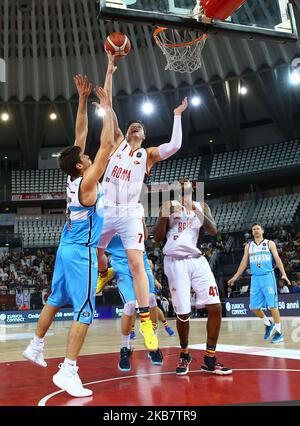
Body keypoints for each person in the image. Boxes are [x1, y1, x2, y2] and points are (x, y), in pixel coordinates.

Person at [22, 78, 114, 397]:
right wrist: (107, 108)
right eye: (84, 158)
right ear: (80, 165)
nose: (88, 156)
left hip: (66, 245)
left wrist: (82, 99)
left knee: (54, 298)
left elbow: (81, 135)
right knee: (84, 310)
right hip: (81, 251)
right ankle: (69, 370)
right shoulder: (87, 184)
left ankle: (35, 345)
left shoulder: (75, 178)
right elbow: (105, 147)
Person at [94, 52, 188, 352]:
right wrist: (110, 70)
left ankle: (146, 321)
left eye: (139, 128)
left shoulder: (146, 155)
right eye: (132, 126)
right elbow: (108, 105)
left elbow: (174, 146)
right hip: (105, 208)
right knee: (96, 252)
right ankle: (103, 271)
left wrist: (176, 116)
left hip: (130, 213)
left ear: (144, 135)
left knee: (137, 264)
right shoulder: (118, 142)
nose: (135, 128)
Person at [153, 177, 232, 376]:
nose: (184, 188)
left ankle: (210, 358)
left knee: (215, 306)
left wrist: (194, 209)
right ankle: (185, 353)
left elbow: (213, 230)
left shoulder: (201, 205)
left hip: (197, 260)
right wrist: (164, 216)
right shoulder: (169, 205)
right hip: (175, 261)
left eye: (187, 186)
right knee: (183, 313)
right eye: (180, 186)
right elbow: (156, 238)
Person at [105, 232, 163, 371]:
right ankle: (125, 348)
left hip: (139, 259)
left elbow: (145, 233)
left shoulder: (133, 210)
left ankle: (153, 345)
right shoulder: (105, 212)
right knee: (130, 305)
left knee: (151, 299)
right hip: (120, 263)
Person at [228, 223, 291, 343]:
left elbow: (277, 258)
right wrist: (235, 276)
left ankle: (279, 333)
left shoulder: (269, 243)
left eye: (258, 229)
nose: (256, 231)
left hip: (268, 276)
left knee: (273, 305)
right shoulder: (248, 246)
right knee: (254, 307)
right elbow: (243, 262)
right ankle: (268, 324)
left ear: (262, 231)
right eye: (253, 229)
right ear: (252, 233)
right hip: (255, 278)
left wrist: (283, 273)